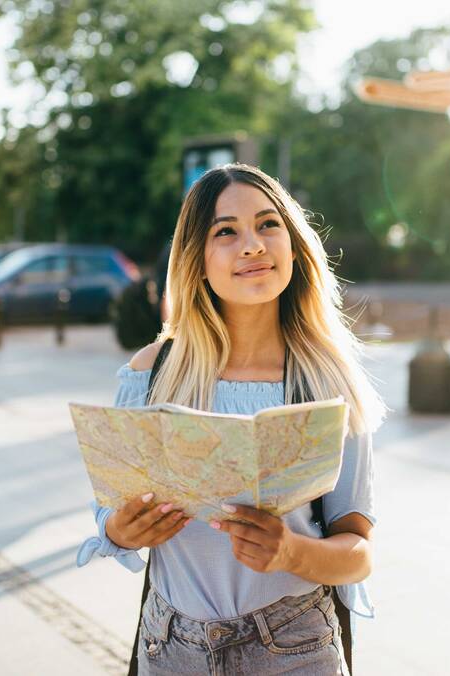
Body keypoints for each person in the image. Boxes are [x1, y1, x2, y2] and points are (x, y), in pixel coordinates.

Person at [77, 164, 385, 675]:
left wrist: (291, 551)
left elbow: (358, 552)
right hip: (170, 648)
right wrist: (124, 530)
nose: (252, 245)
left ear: (294, 246)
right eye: (226, 231)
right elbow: (109, 514)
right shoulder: (152, 373)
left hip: (295, 647)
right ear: (196, 259)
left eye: (268, 224)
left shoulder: (326, 381)